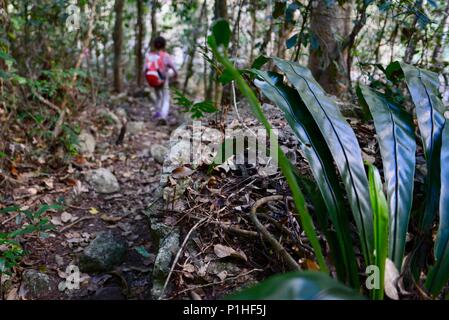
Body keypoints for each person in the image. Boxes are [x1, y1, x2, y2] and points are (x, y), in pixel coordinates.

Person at [144, 36, 178, 122]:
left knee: (158, 96)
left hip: (153, 79)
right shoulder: (165, 56)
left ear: (154, 45)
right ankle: (163, 115)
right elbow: (173, 68)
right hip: (163, 80)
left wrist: (147, 79)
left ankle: (157, 113)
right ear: (164, 46)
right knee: (166, 97)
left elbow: (144, 69)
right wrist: (175, 76)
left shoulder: (149, 55)